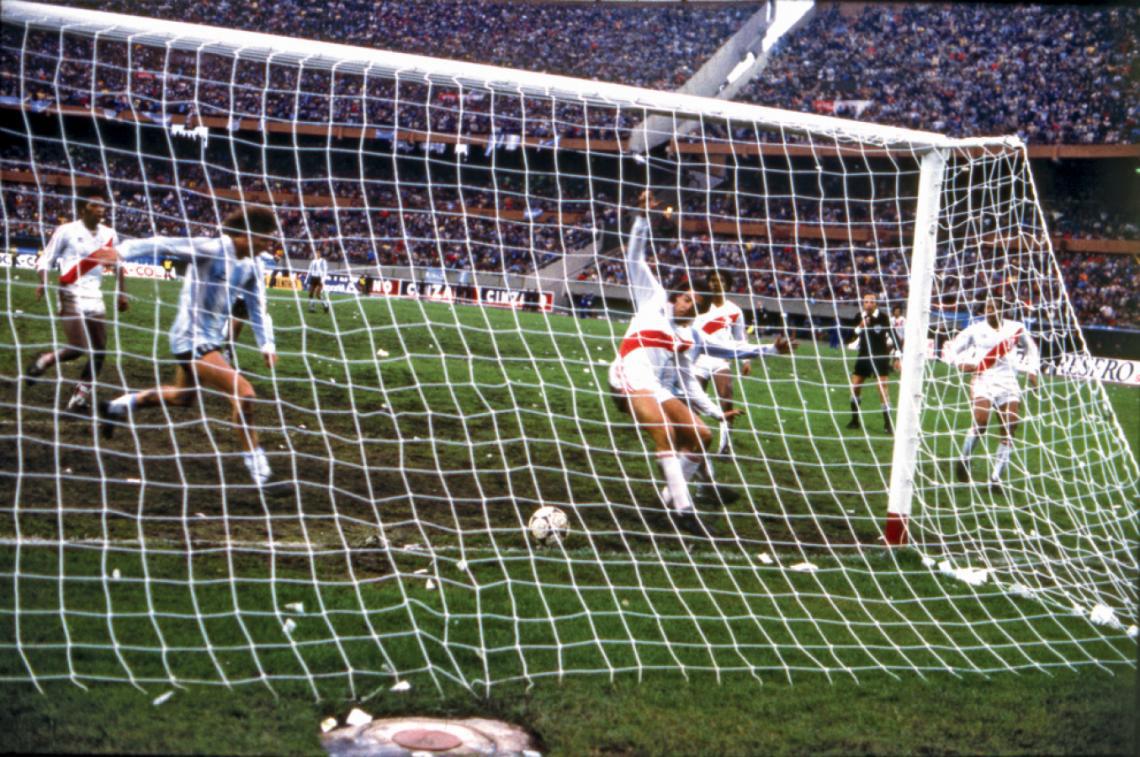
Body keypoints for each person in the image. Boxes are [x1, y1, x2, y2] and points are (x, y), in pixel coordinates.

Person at [606, 192, 772, 534]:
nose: (687, 307)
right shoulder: (652, 300)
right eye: (685, 299)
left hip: (654, 387)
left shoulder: (689, 336)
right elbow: (635, 258)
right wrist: (641, 216)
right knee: (664, 432)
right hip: (628, 373)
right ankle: (685, 512)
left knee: (701, 435)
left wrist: (772, 350)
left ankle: (670, 497)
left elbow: (727, 353)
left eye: (694, 304)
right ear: (674, 296)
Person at [98, 207, 279, 487]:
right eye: (266, 239)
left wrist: (266, 343)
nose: (269, 246)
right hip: (191, 339)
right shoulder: (212, 248)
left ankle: (117, 406)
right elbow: (164, 243)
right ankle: (260, 471)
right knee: (244, 394)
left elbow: (257, 307)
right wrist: (122, 252)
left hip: (210, 340)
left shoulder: (254, 265)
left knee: (182, 398)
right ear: (247, 235)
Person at [26, 186, 128, 413]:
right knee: (78, 347)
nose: (100, 209)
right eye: (94, 204)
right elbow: (46, 260)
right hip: (69, 290)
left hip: (95, 294)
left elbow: (119, 264)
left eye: (102, 205)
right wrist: (42, 281)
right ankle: (45, 360)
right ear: (83, 208)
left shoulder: (109, 235)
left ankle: (79, 398)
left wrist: (122, 292)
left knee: (100, 351)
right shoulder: (66, 231)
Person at [946, 296, 1040, 493]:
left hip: (1008, 381)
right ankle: (964, 460)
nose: (989, 310)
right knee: (981, 422)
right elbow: (953, 348)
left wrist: (1032, 370)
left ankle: (995, 478)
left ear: (1002, 310)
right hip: (984, 379)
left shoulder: (1016, 328)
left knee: (1010, 427)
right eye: (987, 307)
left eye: (993, 307)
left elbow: (1032, 348)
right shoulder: (975, 329)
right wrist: (961, 362)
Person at [692, 270, 794, 429]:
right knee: (694, 402)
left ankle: (725, 445)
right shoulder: (700, 307)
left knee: (726, 397)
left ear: (727, 285)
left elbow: (740, 339)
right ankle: (692, 437)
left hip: (721, 359)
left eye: (721, 281)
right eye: (712, 280)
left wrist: (746, 361)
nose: (716, 284)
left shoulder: (735, 310)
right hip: (699, 360)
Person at [846, 292, 895, 434]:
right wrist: (860, 326)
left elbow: (893, 336)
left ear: (876, 304)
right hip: (863, 357)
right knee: (855, 387)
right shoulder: (858, 317)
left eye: (871, 302)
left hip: (880, 357)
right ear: (863, 303)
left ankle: (888, 425)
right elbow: (848, 338)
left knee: (882, 389)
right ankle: (855, 421)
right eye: (866, 302)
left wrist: (897, 355)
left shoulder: (883, 318)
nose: (868, 304)